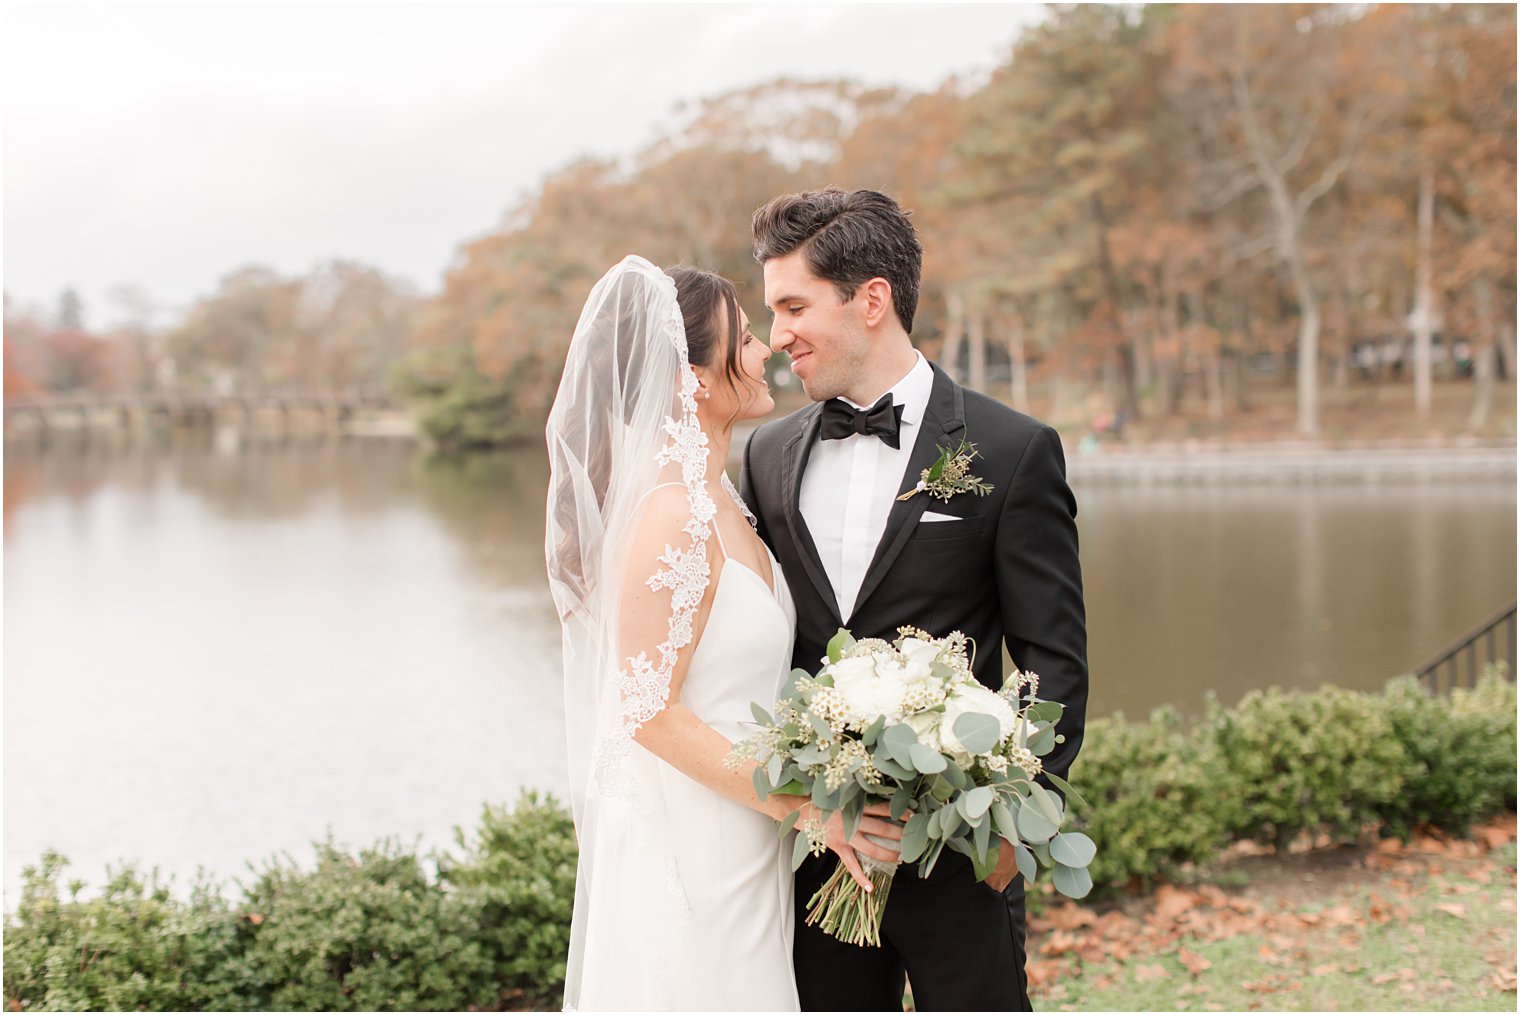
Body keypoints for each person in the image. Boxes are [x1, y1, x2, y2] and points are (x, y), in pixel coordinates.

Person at [740, 189, 1089, 1012]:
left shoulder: (1011, 450)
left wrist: (1019, 809)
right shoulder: (766, 454)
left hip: (962, 854)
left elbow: (1053, 658)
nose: (776, 334)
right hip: (818, 855)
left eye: (793, 305)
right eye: (771, 310)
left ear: (871, 300)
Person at [545, 255, 903, 1011]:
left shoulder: (726, 502)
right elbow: (649, 710)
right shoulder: (671, 516)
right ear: (695, 380)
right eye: (744, 338)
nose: (766, 347)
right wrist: (810, 805)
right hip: (698, 838)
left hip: (749, 830)